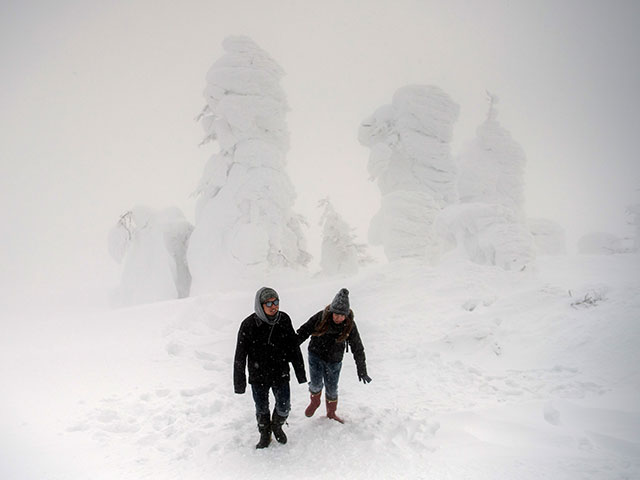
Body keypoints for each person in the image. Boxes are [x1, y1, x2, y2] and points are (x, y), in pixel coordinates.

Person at [234, 287, 307, 449]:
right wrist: (240, 383)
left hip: (280, 371)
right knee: (261, 407)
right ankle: (265, 434)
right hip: (258, 374)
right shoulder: (248, 325)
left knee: (284, 405)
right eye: (269, 303)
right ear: (260, 305)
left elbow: (293, 347)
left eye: (276, 302)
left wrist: (300, 373)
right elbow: (240, 355)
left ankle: (277, 426)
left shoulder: (284, 320)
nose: (274, 306)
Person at [296, 288, 371, 423]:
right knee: (316, 384)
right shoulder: (321, 317)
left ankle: (331, 413)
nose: (338, 318)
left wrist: (362, 369)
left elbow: (357, 348)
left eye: (342, 315)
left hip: (334, 361)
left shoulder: (349, 325)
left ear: (346, 315)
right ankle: (315, 402)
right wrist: (290, 347)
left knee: (332, 387)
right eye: (336, 314)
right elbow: (303, 331)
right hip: (315, 356)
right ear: (331, 311)